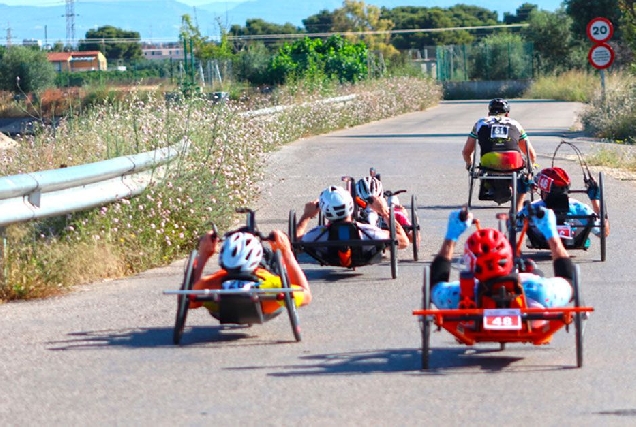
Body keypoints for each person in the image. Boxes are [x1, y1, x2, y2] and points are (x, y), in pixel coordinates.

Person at [429, 208, 574, 313]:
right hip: (531, 294)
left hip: (475, 298)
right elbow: (569, 282)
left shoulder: (460, 295)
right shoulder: (539, 290)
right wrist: (551, 233)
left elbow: (434, 287)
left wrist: (451, 236)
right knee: (534, 270)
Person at [188, 228, 312, 317]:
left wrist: (203, 255)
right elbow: (306, 295)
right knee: (273, 259)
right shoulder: (273, 286)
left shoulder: (209, 284)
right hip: (265, 301)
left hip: (221, 306)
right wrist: (287, 253)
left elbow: (188, 302)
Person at [295, 185, 410, 261]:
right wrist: (385, 213)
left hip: (329, 255)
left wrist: (306, 216)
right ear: (351, 205)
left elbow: (295, 243)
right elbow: (403, 242)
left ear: (324, 210)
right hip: (364, 253)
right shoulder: (369, 232)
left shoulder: (317, 235)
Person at [462, 98, 537, 212]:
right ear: (507, 114)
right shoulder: (515, 124)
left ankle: (489, 185)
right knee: (523, 171)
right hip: (512, 161)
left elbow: (466, 151)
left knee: (489, 165)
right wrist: (530, 166)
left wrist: (470, 164)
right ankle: (518, 203)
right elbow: (531, 154)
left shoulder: (480, 123)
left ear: (488, 113)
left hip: (489, 161)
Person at [517, 167, 610, 245]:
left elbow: (512, 224)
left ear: (545, 190)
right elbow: (603, 233)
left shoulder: (532, 209)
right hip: (574, 239)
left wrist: (521, 194)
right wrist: (595, 200)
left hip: (540, 240)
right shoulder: (580, 209)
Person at [355, 175, 419, 244]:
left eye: (372, 202)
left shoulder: (396, 214)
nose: (369, 207)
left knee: (394, 206)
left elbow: (414, 239)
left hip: (387, 212)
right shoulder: (352, 213)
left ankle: (393, 200)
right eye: (364, 203)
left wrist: (407, 219)